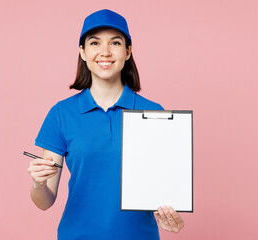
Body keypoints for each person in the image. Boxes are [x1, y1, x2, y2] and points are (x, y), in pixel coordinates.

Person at [28, 9, 184, 239]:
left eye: (115, 43)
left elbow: (162, 191)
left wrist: (169, 214)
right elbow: (44, 202)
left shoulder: (154, 113)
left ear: (128, 52)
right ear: (82, 52)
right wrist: (38, 184)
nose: (105, 52)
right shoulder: (61, 114)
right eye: (94, 43)